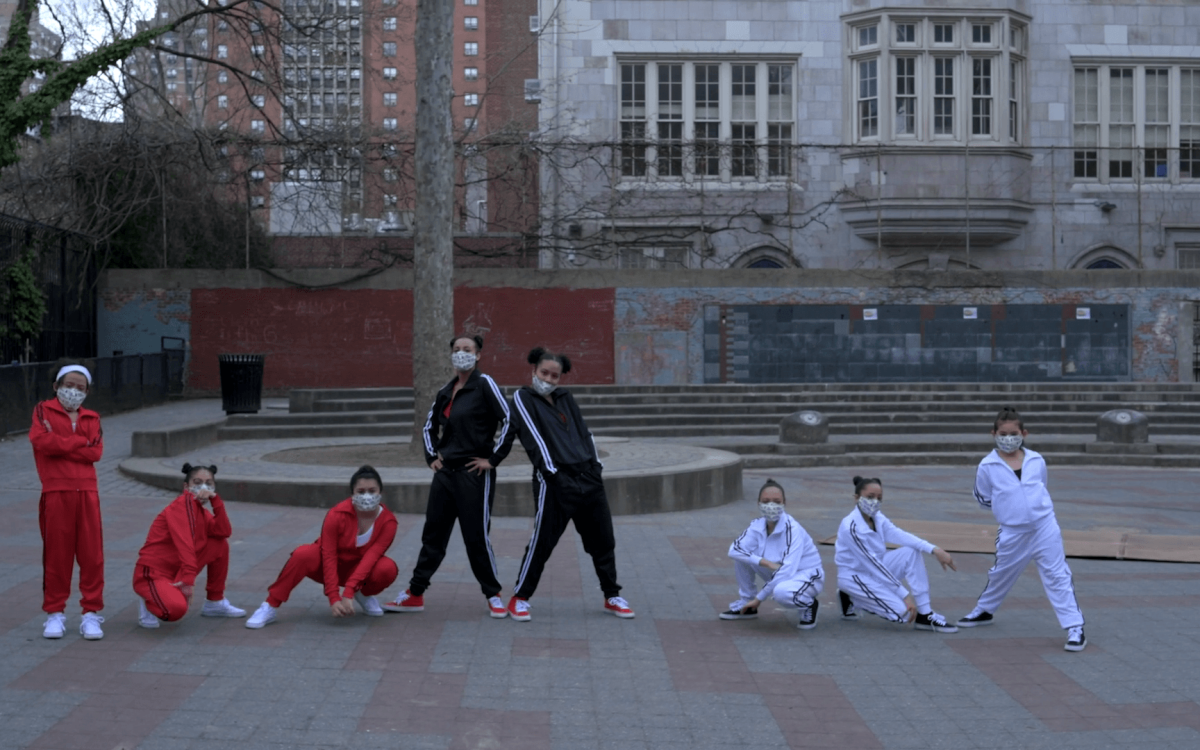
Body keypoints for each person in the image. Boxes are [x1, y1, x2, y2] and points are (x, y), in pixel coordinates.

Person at [500, 347, 634, 622]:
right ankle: (520, 598)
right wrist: (554, 475)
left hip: (588, 478)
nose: (548, 380)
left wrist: (595, 468)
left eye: (554, 376)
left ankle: (612, 596)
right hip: (555, 482)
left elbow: (584, 432)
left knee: (603, 541)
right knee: (542, 543)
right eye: (544, 373)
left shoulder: (565, 398)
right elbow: (533, 440)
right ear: (533, 371)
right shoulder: (523, 399)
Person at [385, 335, 512, 618]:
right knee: (433, 536)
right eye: (456, 350)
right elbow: (428, 427)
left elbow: (509, 419)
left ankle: (493, 594)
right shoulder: (446, 390)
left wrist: (493, 460)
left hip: (474, 473)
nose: (461, 354)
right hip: (446, 475)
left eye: (467, 350)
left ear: (478, 355)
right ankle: (415, 594)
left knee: (476, 537)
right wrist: (432, 457)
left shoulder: (485, 384)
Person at [958, 408, 1087, 652]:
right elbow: (983, 497)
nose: (1008, 438)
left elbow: (1041, 487)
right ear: (994, 434)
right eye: (1003, 433)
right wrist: (1008, 510)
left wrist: (1033, 509)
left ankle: (1074, 627)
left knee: (1058, 576)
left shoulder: (1036, 460)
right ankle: (984, 610)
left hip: (1044, 527)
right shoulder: (987, 465)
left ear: (1024, 433)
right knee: (1001, 572)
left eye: (1014, 433)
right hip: (1012, 531)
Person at [246, 466, 398, 628]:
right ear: (352, 493)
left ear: (380, 492)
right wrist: (334, 597)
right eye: (361, 491)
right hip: (328, 567)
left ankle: (362, 594)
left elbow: (370, 558)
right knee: (302, 554)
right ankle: (270, 605)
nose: (366, 496)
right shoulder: (336, 514)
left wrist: (348, 592)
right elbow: (329, 555)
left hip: (358, 569)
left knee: (386, 568)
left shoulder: (388, 522)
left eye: (372, 491)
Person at [30, 363, 106, 640]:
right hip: (56, 492)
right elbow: (42, 443)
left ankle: (91, 613)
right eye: (69, 385)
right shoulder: (43, 411)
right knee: (57, 556)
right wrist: (79, 443)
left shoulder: (92, 418)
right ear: (56, 386)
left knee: (92, 556)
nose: (74, 391)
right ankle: (55, 613)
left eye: (80, 388)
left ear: (87, 392)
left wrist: (63, 443)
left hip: (87, 493)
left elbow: (96, 453)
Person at [834, 476, 958, 632]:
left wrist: (935, 550)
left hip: (876, 569)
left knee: (911, 551)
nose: (875, 502)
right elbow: (873, 565)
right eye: (870, 497)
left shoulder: (877, 518)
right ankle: (852, 597)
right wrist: (905, 596)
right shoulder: (850, 527)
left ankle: (925, 614)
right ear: (856, 498)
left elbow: (900, 535)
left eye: (879, 498)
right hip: (855, 576)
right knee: (903, 613)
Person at [133, 463, 246, 628]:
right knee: (174, 611)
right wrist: (188, 580)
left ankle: (214, 602)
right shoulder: (182, 505)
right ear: (186, 486)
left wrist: (216, 501)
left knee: (219, 544)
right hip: (153, 573)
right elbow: (185, 544)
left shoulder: (199, 509)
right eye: (197, 482)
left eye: (209, 483)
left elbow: (223, 532)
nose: (204, 487)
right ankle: (148, 600)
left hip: (175, 570)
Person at [720, 479, 823, 630]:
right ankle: (747, 605)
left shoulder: (792, 529)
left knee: (781, 593)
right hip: (777, 570)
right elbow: (734, 550)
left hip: (805, 576)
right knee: (742, 556)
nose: (771, 506)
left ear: (784, 503)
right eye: (766, 501)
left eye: (776, 501)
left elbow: (787, 570)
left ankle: (809, 603)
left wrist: (759, 598)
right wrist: (765, 563)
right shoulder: (757, 525)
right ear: (758, 503)